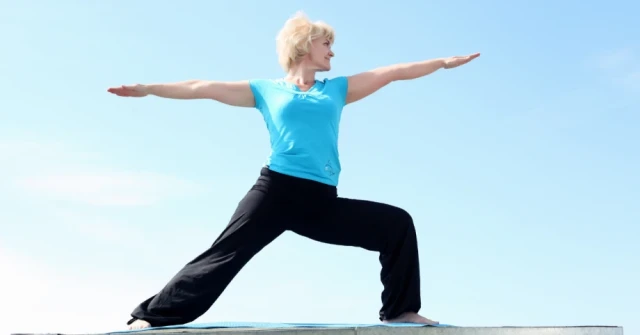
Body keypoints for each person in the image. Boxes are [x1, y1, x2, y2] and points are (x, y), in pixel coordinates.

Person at [108, 11, 479, 331]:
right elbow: (201, 87)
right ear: (304, 45)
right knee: (224, 254)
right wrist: (148, 89)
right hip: (275, 192)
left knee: (396, 224)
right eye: (326, 44)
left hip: (321, 201)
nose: (332, 51)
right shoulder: (266, 90)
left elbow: (393, 72)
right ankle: (152, 317)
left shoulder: (337, 89)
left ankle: (400, 311)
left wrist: (443, 63)